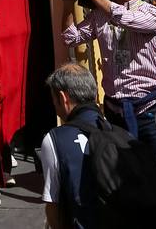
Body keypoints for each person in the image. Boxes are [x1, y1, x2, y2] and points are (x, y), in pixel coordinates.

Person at [61, 0, 156, 195]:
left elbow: (126, 19)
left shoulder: (151, 13)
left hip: (149, 112)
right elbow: (70, 38)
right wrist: (67, 5)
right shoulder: (98, 16)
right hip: (116, 112)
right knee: (125, 177)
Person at [40, 63, 104, 229]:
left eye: (54, 100)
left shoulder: (55, 139)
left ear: (62, 98)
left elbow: (53, 208)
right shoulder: (117, 131)